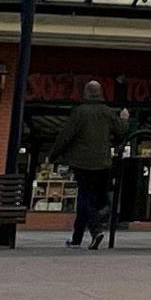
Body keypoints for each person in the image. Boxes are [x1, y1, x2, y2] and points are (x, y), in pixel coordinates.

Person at [59, 84, 119, 249]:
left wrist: (54, 154)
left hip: (83, 163)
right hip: (103, 163)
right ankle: (77, 237)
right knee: (89, 198)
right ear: (100, 93)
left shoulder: (79, 112)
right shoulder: (107, 112)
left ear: (85, 93)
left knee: (86, 198)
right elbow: (121, 130)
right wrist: (126, 119)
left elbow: (66, 135)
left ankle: (95, 229)